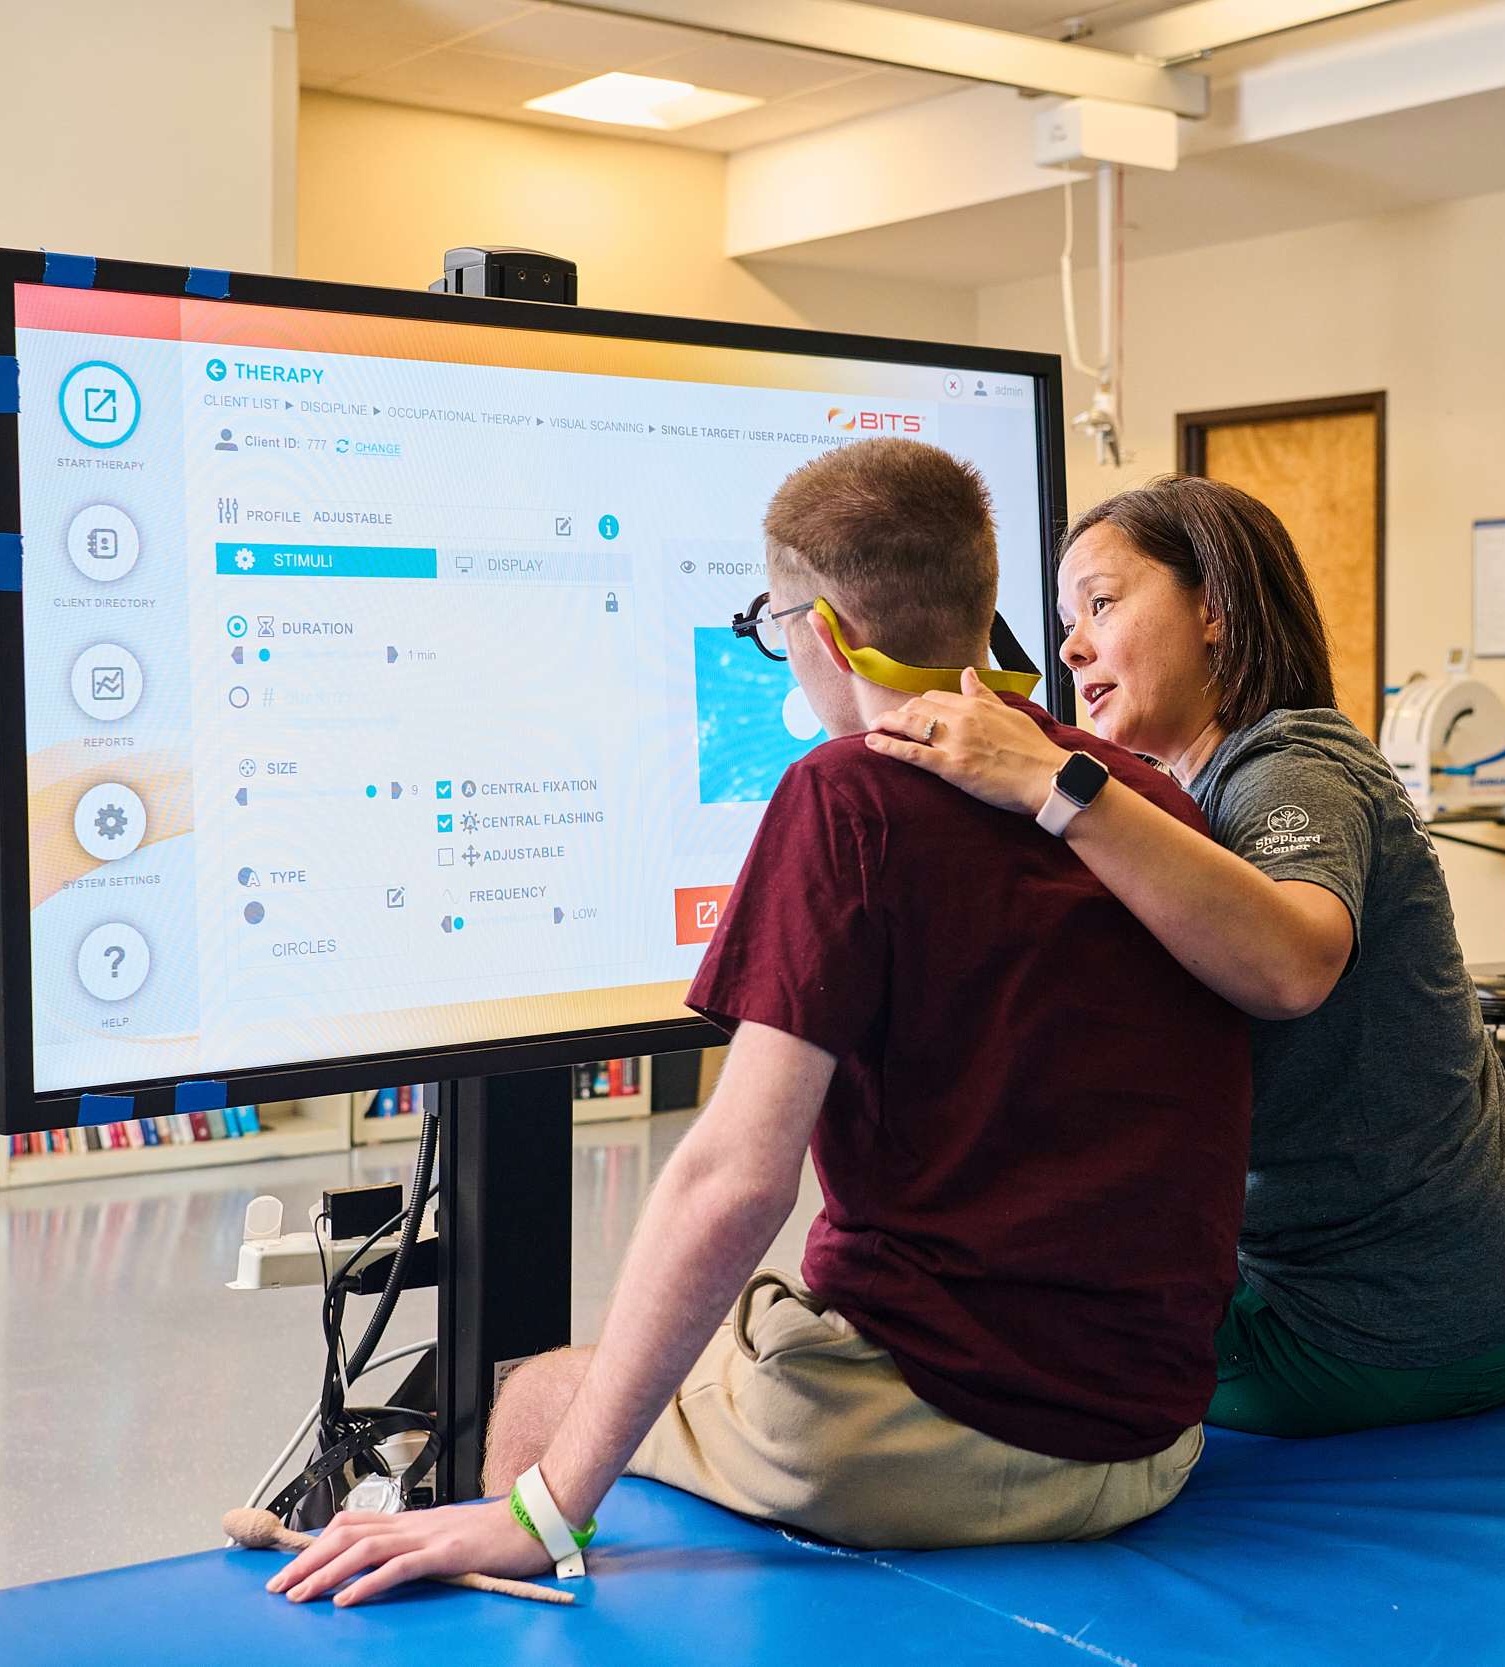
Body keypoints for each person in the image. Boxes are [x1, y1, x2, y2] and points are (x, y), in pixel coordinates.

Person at [262, 440, 1251, 1608]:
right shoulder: (1129, 796)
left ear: (819, 631)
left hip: (943, 1433)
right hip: (1154, 1432)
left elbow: (733, 1180)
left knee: (537, 1393)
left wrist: (542, 1509)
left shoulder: (846, 791)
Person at [864, 475, 1505, 1440]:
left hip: (1390, 1323)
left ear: (1216, 611)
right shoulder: (1186, 794)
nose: (1072, 648)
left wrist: (1051, 781)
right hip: (1479, 1274)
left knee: (986, 1358)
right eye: (1067, 623)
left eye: (1101, 604)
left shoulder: (1292, 766)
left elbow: (1290, 964)